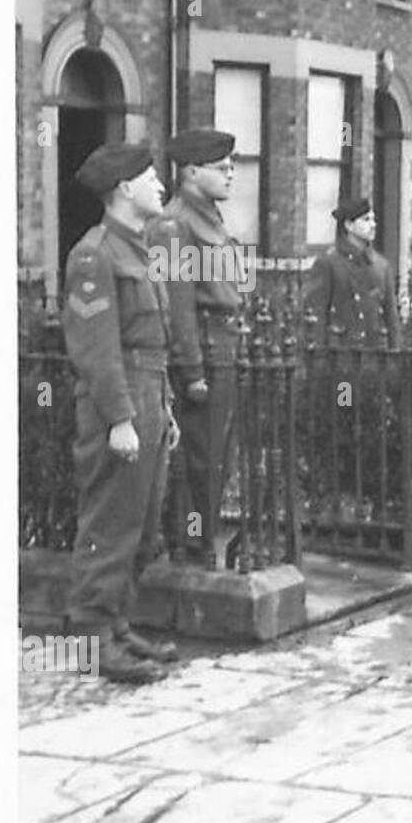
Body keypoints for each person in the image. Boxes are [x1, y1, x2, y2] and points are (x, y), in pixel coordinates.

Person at [61, 144, 182, 684]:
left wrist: (165, 409)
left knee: (140, 521)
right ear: (124, 190)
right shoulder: (95, 254)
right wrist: (119, 419)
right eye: (151, 178)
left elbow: (156, 341)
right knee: (109, 521)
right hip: (120, 395)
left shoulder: (139, 247)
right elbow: (95, 348)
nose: (161, 186)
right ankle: (91, 638)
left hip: (149, 391)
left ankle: (116, 625)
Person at [161, 128, 245, 568]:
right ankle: (194, 547)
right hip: (206, 353)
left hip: (225, 346)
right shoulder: (176, 223)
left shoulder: (209, 217)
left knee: (215, 459)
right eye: (221, 167)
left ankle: (201, 539)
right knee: (200, 459)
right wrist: (191, 371)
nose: (231, 172)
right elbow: (179, 304)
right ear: (192, 172)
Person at [304, 196, 402, 350]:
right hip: (341, 355)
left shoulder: (381, 266)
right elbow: (318, 315)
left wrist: (395, 353)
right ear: (349, 225)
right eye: (366, 220)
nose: (373, 225)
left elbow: (391, 317)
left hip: (375, 355)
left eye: (373, 219)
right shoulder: (329, 264)